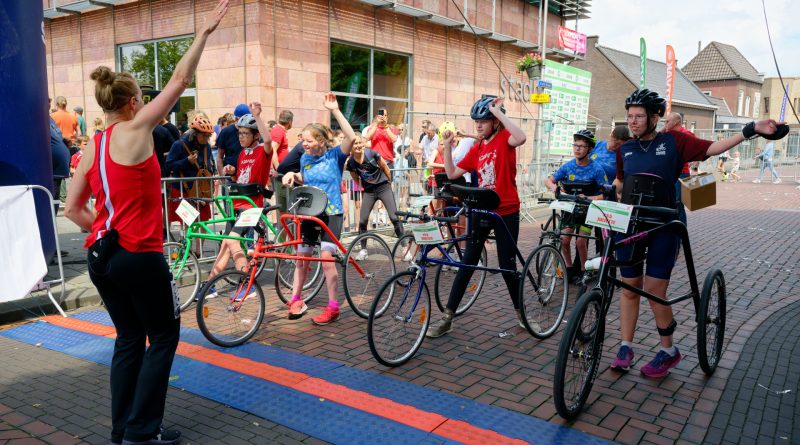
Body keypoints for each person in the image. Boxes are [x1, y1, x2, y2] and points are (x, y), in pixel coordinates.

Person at [63, 3, 229, 443]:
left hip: (104, 257)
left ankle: (122, 430)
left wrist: (103, 228)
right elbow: (179, 81)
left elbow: (72, 209)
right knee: (164, 335)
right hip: (140, 254)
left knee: (129, 339)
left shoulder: (93, 145)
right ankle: (142, 430)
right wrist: (203, 34)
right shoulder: (136, 130)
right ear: (134, 102)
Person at [610, 88, 786, 378]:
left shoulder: (675, 140)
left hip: (665, 225)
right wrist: (609, 199)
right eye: (630, 116)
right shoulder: (625, 149)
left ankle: (668, 351)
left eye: (639, 116)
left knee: (655, 290)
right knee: (629, 287)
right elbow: (620, 184)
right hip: (632, 224)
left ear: (654, 117)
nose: (633, 121)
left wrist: (750, 129)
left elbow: (713, 148)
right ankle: (626, 346)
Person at [427, 96, 526, 338]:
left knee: (506, 265)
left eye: (484, 121)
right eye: (476, 121)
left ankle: (521, 312)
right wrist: (448, 146)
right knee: (468, 261)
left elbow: (521, 137)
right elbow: (451, 173)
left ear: (494, 121)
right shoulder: (478, 148)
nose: (479, 125)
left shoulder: (505, 139)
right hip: (483, 210)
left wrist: (498, 112)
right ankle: (448, 317)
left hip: (507, 210)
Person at [282, 92, 356, 325]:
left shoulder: (335, 156)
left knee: (326, 259)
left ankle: (333, 306)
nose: (304, 143)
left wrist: (334, 110)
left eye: (309, 140)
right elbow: (307, 178)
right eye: (303, 139)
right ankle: (296, 299)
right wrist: (294, 174)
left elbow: (352, 136)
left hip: (331, 213)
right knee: (301, 257)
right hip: (310, 212)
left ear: (322, 141)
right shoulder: (305, 158)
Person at [198, 105, 273, 289]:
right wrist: (232, 172)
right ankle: (209, 285)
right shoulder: (241, 154)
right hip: (238, 205)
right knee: (225, 245)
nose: (240, 137)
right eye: (239, 133)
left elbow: (269, 141)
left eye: (245, 133)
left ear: (255, 135)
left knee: (232, 241)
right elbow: (240, 179)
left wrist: (257, 116)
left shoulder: (262, 151)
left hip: (252, 206)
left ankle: (247, 283)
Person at [544, 129, 609, 282]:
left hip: (588, 210)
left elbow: (606, 194)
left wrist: (588, 197)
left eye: (581, 146)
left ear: (590, 149)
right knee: (564, 240)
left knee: (580, 242)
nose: (577, 149)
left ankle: (584, 270)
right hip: (570, 209)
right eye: (575, 145)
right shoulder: (567, 167)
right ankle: (569, 268)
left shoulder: (597, 169)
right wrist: (557, 190)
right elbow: (549, 181)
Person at [347, 135, 404, 260]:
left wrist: (389, 183)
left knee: (394, 217)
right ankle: (363, 250)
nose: (357, 146)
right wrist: (364, 186)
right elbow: (355, 177)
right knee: (362, 221)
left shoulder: (372, 154)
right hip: (369, 191)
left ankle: (405, 249)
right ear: (350, 147)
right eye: (354, 144)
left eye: (359, 143)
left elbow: (385, 167)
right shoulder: (351, 162)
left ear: (363, 143)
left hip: (383, 187)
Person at [165, 114, 216, 227]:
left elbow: (209, 164)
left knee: (203, 224)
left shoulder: (206, 146)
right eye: (204, 136)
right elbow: (168, 166)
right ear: (195, 133)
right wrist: (186, 161)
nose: (206, 139)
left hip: (201, 191)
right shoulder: (179, 145)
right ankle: (187, 245)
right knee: (189, 224)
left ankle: (199, 246)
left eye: (208, 136)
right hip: (183, 190)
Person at [216, 103, 250, 176]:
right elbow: (219, 157)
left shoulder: (251, 132)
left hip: (247, 174)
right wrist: (222, 177)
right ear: (236, 119)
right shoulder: (226, 132)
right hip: (229, 176)